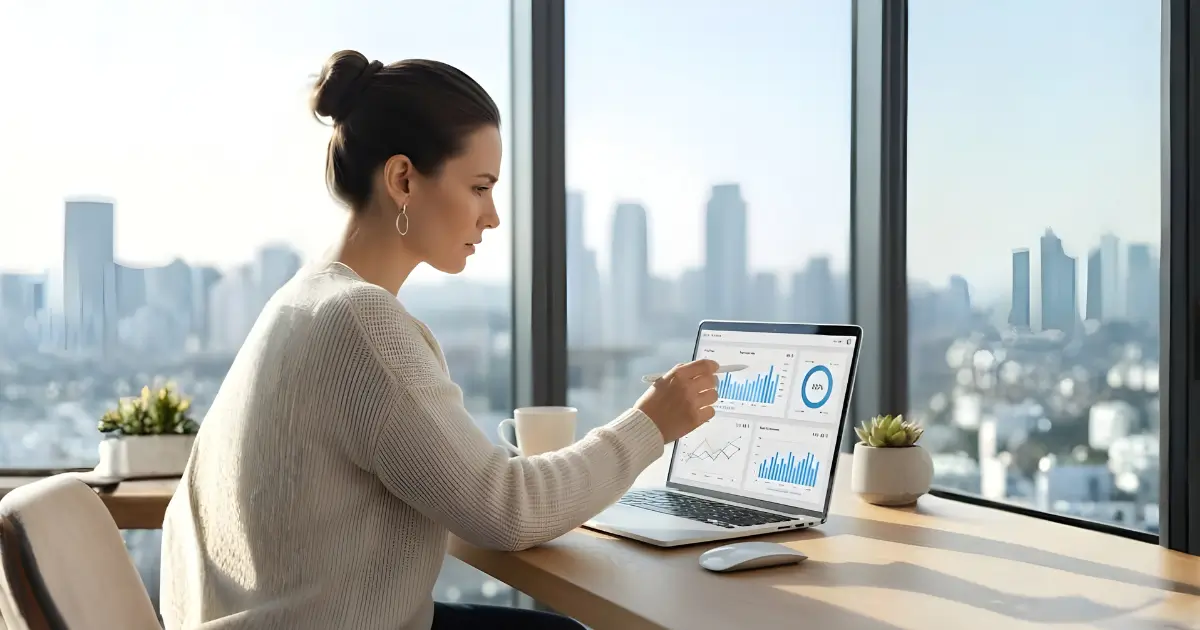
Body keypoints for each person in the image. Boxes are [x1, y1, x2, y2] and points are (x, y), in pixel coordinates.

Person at [159, 50, 720, 630]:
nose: (493, 216)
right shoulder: (360, 321)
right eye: (479, 187)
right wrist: (653, 422)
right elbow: (506, 511)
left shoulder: (300, 299)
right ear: (403, 178)